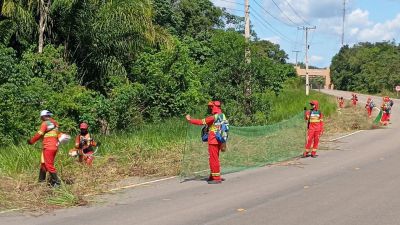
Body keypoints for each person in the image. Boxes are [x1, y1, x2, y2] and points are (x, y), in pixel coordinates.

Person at [186, 101, 227, 184]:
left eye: (211, 107)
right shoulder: (223, 116)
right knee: (215, 158)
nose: (210, 109)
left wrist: (190, 120)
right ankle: (213, 175)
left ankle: (216, 178)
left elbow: (201, 122)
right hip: (220, 140)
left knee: (213, 159)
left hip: (213, 140)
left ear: (214, 107)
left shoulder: (214, 117)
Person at [27, 110, 61, 187]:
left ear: (43, 116)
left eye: (41, 117)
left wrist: (31, 141)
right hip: (54, 146)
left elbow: (39, 134)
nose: (41, 119)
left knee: (49, 165)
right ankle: (41, 181)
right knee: (43, 163)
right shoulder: (55, 123)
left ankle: (57, 182)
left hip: (48, 147)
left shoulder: (45, 123)